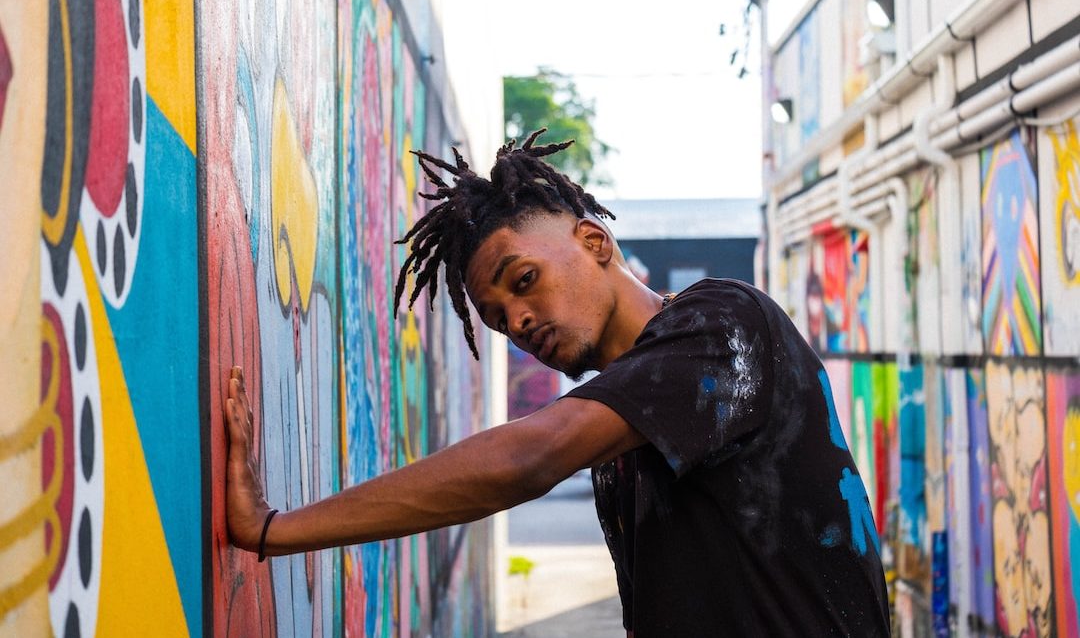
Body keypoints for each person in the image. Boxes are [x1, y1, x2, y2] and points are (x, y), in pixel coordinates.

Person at [223, 129, 890, 636]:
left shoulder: (722, 325)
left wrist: (271, 528)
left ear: (594, 242)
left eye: (525, 280)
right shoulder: (624, 444)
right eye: (498, 318)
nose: (518, 319)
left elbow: (528, 455)